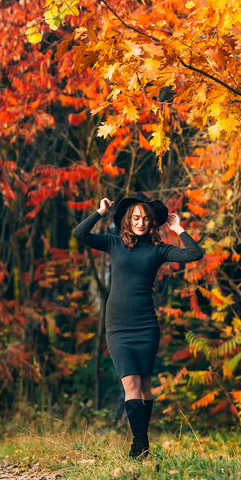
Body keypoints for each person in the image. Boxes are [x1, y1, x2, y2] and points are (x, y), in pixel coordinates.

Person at [72, 192, 204, 459]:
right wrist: (99, 212)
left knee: (145, 386)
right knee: (130, 382)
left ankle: (141, 446)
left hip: (146, 325)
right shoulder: (113, 243)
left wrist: (178, 229)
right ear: (127, 221)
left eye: (145, 218)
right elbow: (80, 234)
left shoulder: (159, 249)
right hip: (118, 325)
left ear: (151, 222)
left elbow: (194, 253)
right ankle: (139, 443)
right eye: (135, 218)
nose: (140, 222)